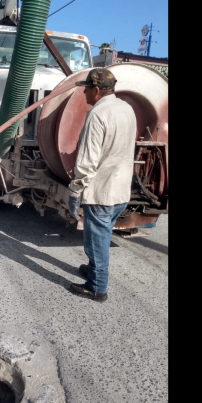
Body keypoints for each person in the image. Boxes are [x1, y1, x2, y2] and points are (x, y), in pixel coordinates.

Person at [67, 68, 137, 303]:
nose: (84, 92)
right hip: (121, 189)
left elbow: (87, 161)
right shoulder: (126, 108)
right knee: (103, 235)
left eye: (86, 88)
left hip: (101, 192)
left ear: (96, 90)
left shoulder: (97, 114)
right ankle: (95, 269)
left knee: (96, 241)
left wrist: (75, 190)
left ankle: (96, 288)